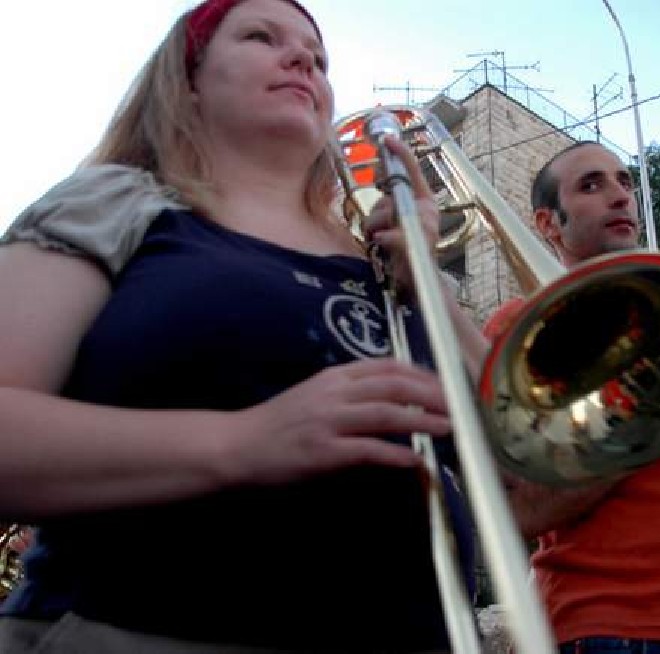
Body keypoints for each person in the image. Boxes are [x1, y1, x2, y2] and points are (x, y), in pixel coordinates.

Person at [0, 1, 488, 652]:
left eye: (319, 59)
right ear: (189, 77)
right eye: (263, 37)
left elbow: (527, 463)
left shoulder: (383, 256)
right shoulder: (116, 200)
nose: (303, 62)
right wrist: (243, 440)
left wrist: (428, 283)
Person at [484, 141, 660, 654]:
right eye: (591, 185)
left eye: (625, 182)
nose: (620, 196)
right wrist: (653, 410)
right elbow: (524, 513)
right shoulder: (521, 329)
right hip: (597, 626)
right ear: (547, 223)